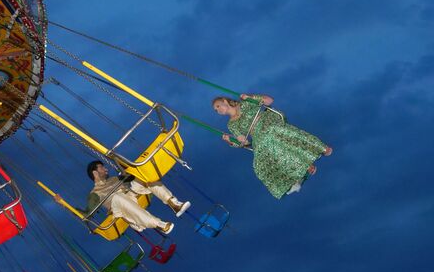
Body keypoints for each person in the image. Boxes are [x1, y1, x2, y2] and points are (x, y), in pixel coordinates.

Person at [212, 94, 333, 199]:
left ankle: (319, 149)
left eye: (218, 106)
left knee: (270, 135)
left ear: (224, 101)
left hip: (265, 122)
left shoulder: (244, 103)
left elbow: (269, 101)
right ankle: (297, 173)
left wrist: (251, 97)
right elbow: (245, 143)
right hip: (257, 136)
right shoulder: (231, 124)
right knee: (258, 162)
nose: (218, 110)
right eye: (216, 110)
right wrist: (233, 140)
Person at [55, 161, 191, 234]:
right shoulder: (94, 193)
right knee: (117, 197)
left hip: (131, 195)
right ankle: (159, 224)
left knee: (142, 177)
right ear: (95, 172)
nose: (106, 170)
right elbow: (86, 214)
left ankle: (173, 203)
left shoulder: (115, 178)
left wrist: (126, 166)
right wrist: (64, 205)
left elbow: (131, 177)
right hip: (120, 208)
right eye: (102, 168)